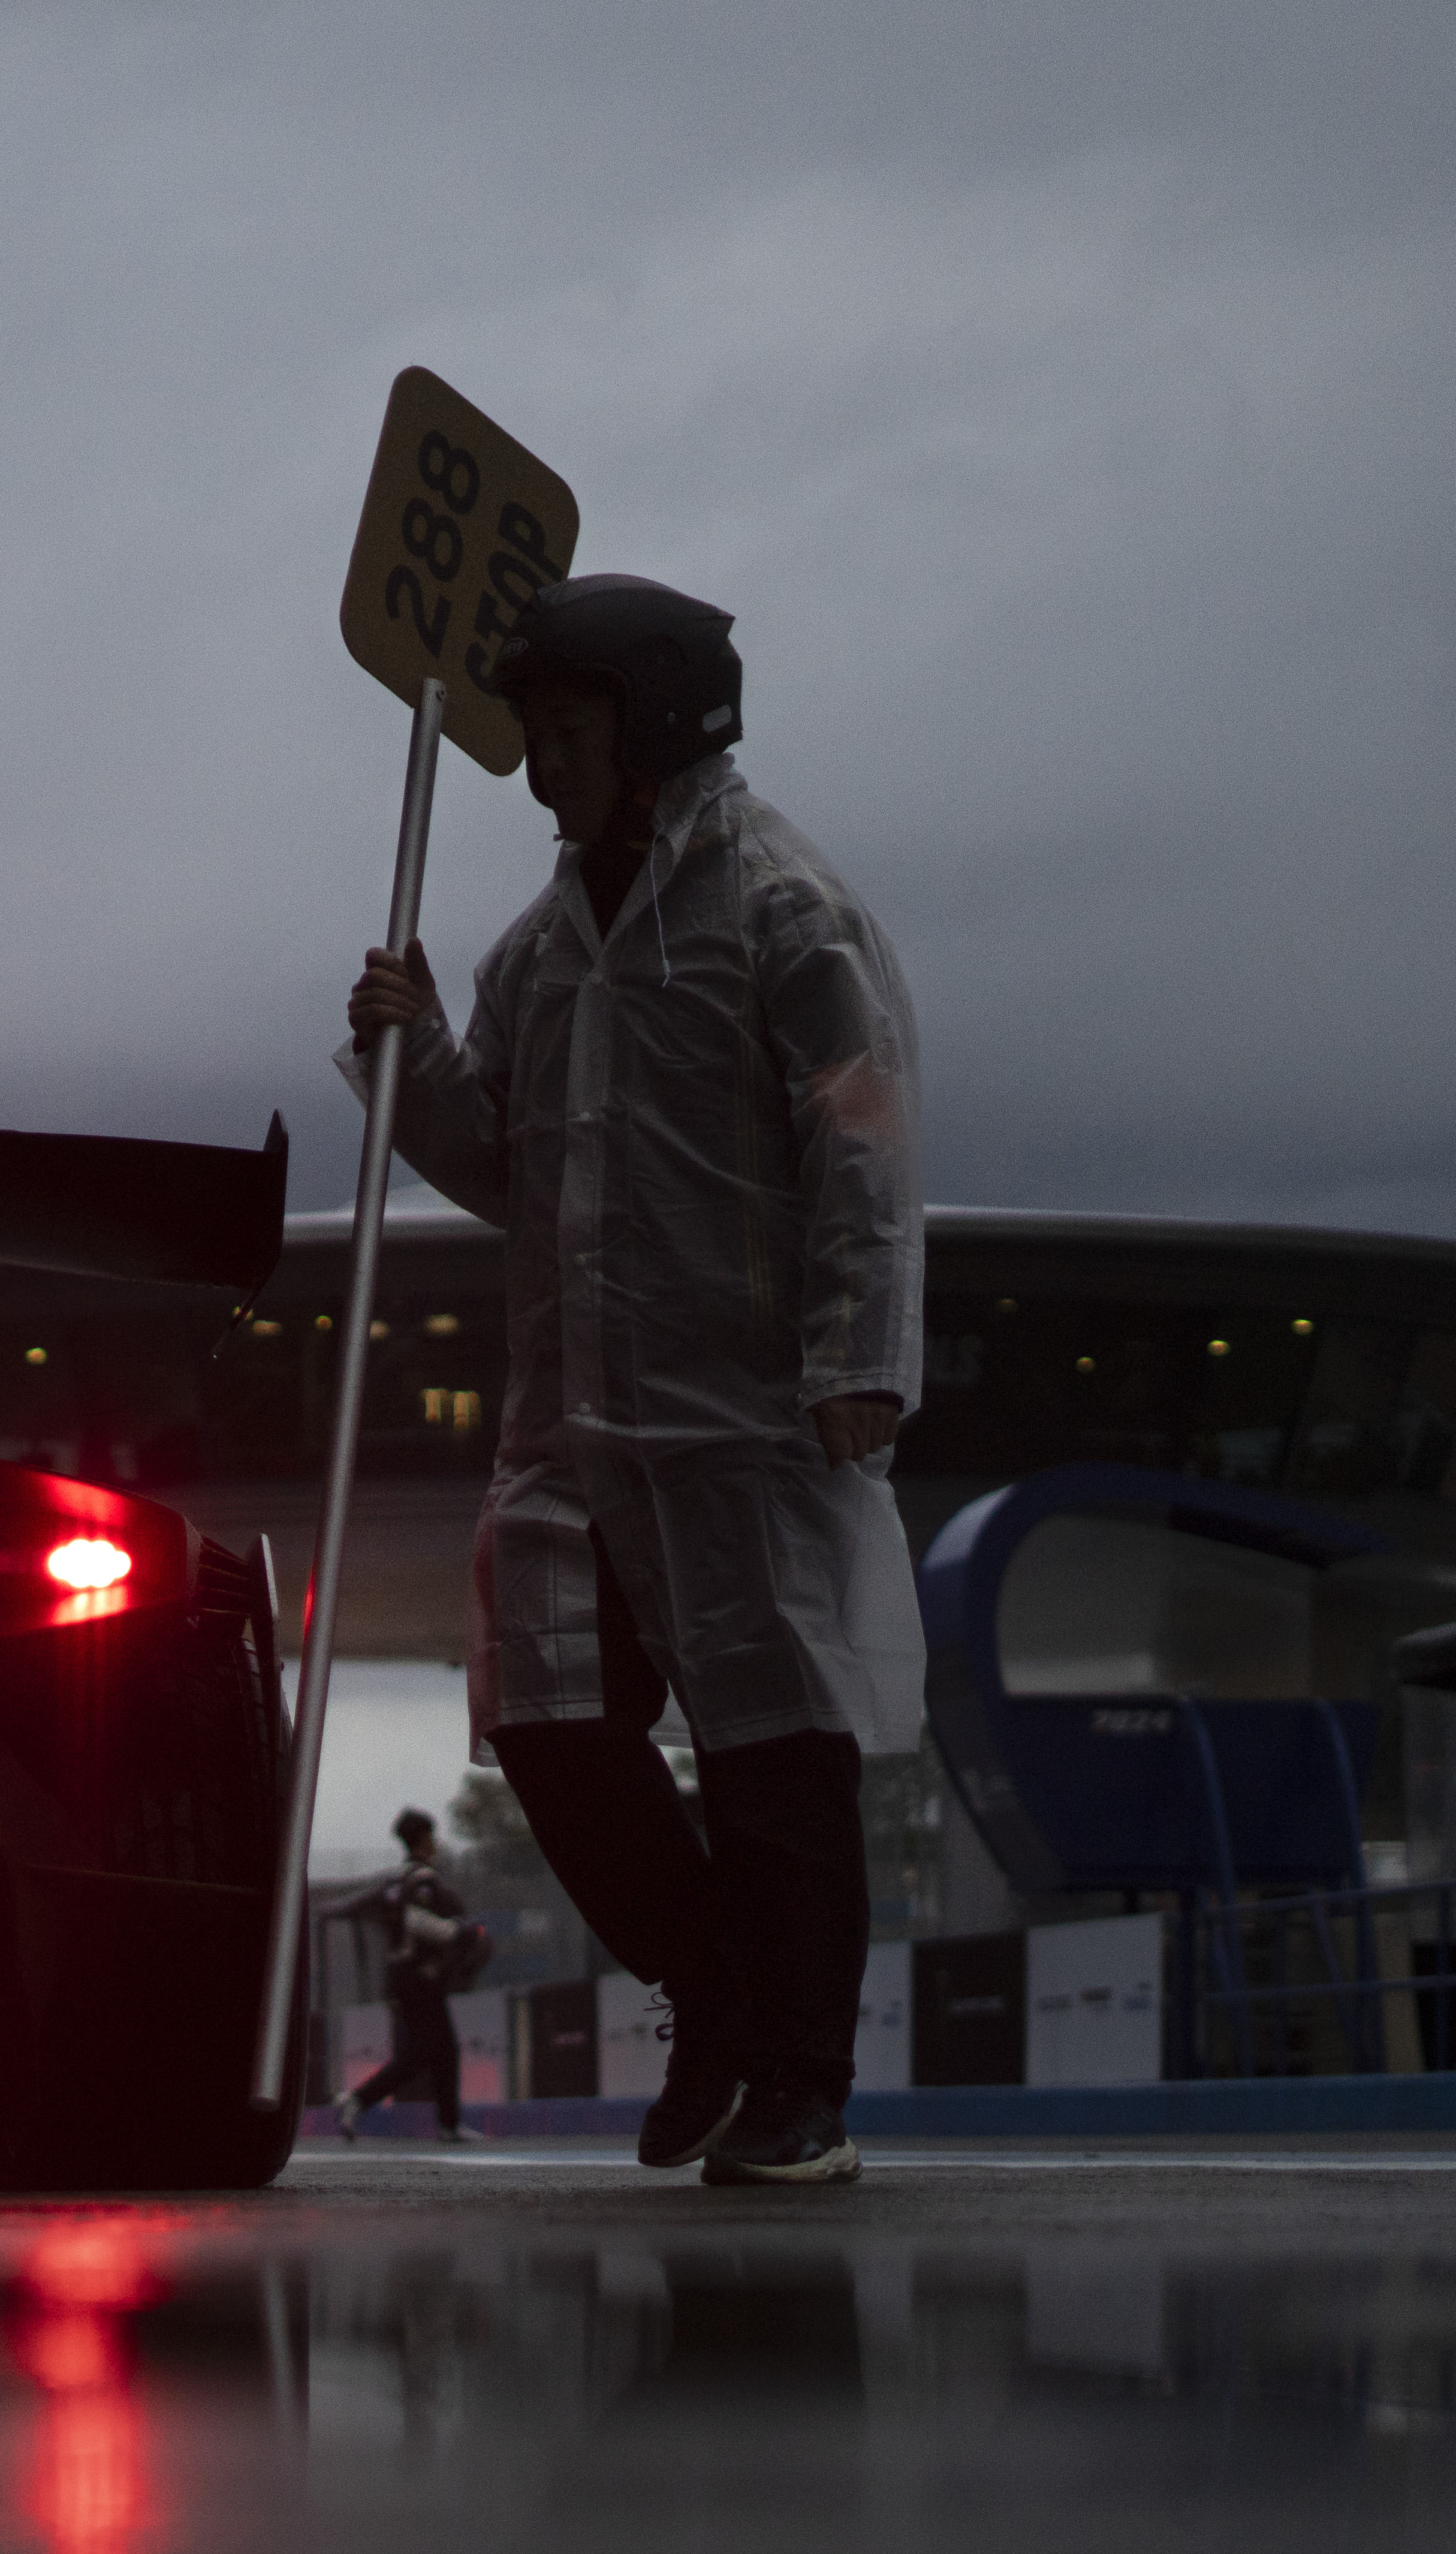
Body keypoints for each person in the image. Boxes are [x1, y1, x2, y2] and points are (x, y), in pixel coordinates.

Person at [346, 573, 919, 2192]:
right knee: (543, 1720)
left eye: (569, 728)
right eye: (530, 731)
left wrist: (857, 1353)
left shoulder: (782, 913)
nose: (542, 765)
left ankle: (797, 2083)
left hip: (739, 1413)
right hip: (568, 1423)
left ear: (657, 727)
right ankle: (715, 1991)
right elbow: (505, 1167)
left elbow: (864, 1138)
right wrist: (412, 1067)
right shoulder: (538, 949)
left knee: (770, 1749)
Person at [334, 1806, 481, 2142]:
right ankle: (360, 2101)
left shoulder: (393, 1881)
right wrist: (460, 1932)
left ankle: (443, 2122)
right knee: (428, 2052)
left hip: (400, 1977)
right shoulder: (421, 1880)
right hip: (420, 1978)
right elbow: (418, 1923)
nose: (436, 1843)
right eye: (432, 1836)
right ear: (423, 1838)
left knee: (435, 2051)